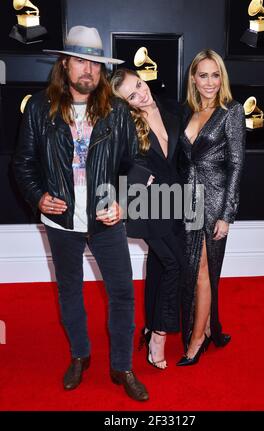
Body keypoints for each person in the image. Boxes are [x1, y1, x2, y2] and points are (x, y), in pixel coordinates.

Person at [13, 26, 149, 401]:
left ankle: (122, 366)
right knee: (69, 291)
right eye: (79, 61)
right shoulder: (40, 107)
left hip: (106, 220)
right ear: (65, 64)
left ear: (101, 69)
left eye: (93, 62)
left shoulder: (118, 111)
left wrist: (123, 198)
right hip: (60, 219)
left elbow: (135, 164)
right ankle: (79, 356)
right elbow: (22, 164)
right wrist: (38, 197)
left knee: (122, 293)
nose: (87, 69)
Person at [111, 68, 184, 370]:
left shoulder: (170, 108)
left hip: (177, 202)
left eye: (139, 85)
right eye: (131, 95)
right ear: (125, 103)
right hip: (148, 205)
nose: (141, 94)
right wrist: (137, 180)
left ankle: (149, 324)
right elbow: (109, 163)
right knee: (176, 265)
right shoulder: (125, 124)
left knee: (158, 263)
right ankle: (158, 335)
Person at [176, 49, 246, 366]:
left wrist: (227, 214)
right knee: (189, 270)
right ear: (193, 78)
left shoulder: (231, 111)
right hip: (187, 199)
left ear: (222, 77)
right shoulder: (186, 111)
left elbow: (236, 164)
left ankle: (197, 338)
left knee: (204, 270)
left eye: (215, 75)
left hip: (215, 197)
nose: (210, 82)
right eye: (203, 75)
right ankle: (204, 327)